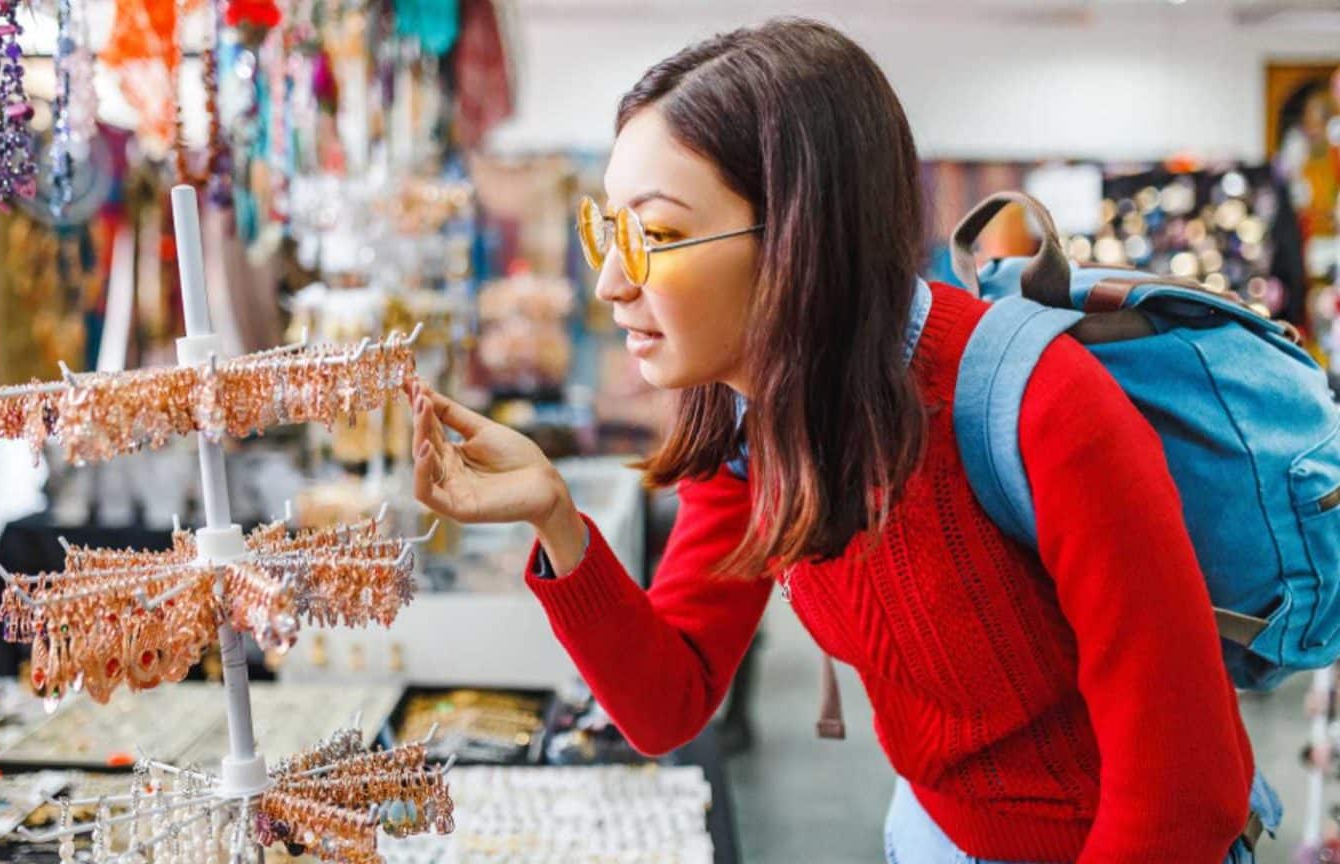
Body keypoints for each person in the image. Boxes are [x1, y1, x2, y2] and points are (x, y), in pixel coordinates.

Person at [408, 18, 1275, 863]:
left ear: (798, 236)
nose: (608, 282)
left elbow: (1181, 790)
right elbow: (671, 699)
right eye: (611, 231)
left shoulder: (1038, 409)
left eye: (657, 236)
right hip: (926, 833)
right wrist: (554, 518)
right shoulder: (753, 417)